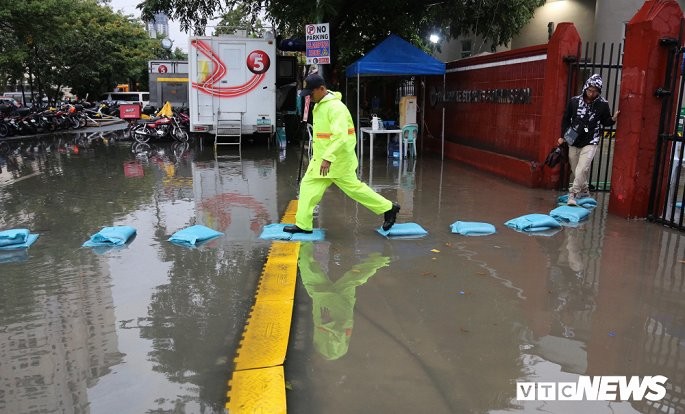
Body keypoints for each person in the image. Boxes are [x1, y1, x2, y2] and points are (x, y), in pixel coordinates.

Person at [284, 74, 400, 234]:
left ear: (322, 89)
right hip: (323, 160)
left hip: (336, 160)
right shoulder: (321, 104)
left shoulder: (335, 107)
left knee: (355, 190)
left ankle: (389, 208)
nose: (309, 96)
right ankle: (303, 225)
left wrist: (328, 158)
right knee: (308, 187)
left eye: (311, 93)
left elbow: (340, 136)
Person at [558, 73, 619, 206]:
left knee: (582, 168)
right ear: (585, 88)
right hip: (573, 138)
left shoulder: (602, 104)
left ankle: (572, 195)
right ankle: (585, 190)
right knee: (575, 168)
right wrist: (563, 136)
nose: (592, 93)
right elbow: (566, 119)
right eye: (590, 90)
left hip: (591, 139)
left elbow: (606, 121)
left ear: (599, 92)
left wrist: (613, 119)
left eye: (595, 91)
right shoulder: (574, 101)